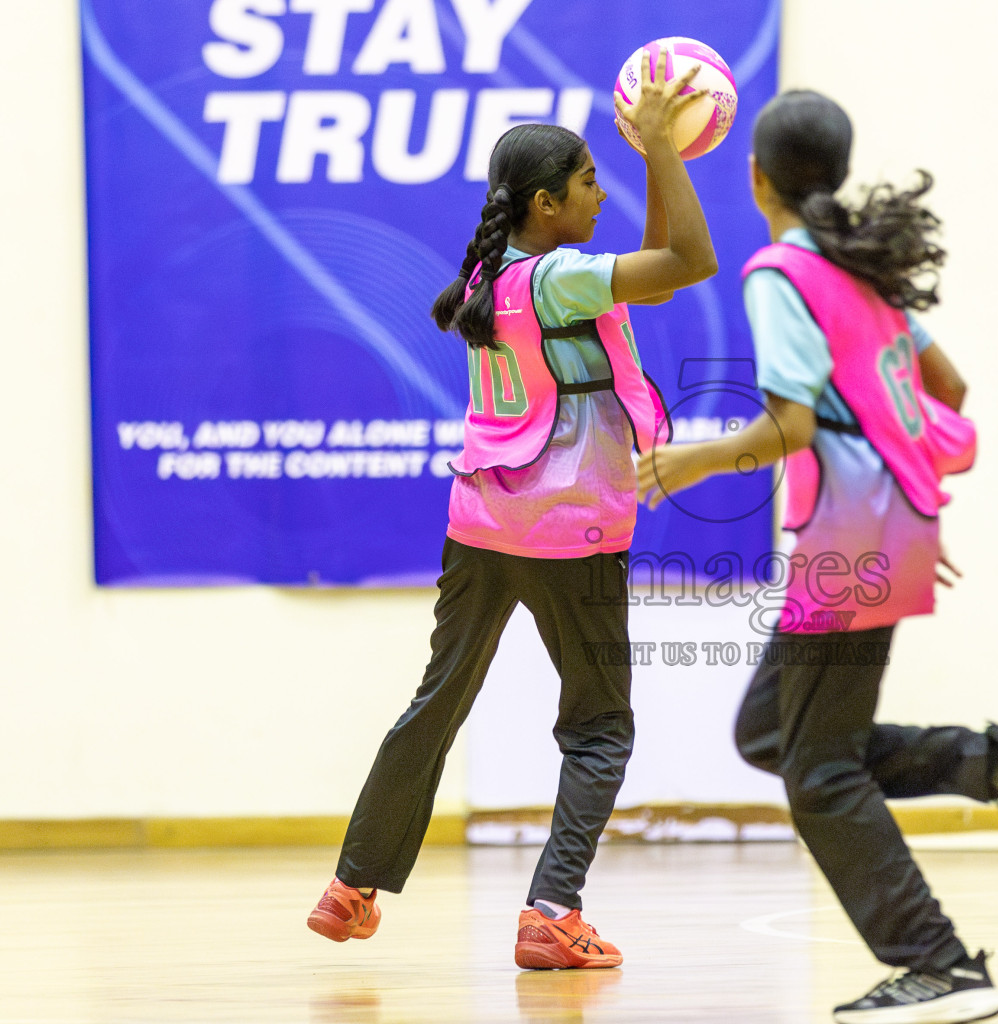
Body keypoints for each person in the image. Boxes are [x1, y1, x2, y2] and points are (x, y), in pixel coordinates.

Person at [638, 89, 998, 1024]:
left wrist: (691, 462)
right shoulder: (860, 271)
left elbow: (791, 425)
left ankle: (941, 964)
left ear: (756, 179)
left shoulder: (782, 272)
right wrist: (902, 497)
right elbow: (945, 384)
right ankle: (989, 761)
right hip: (886, 519)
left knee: (819, 772)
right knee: (771, 736)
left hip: (855, 530)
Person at [306, 51, 719, 970]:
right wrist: (663, 146)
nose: (598, 195)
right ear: (544, 206)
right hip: (570, 529)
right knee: (602, 728)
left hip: (479, 524)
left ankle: (351, 886)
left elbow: (654, 262)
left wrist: (652, 159)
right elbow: (689, 260)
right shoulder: (558, 278)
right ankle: (552, 910)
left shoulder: (493, 282)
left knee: (435, 705)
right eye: (585, 181)